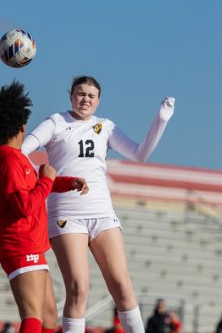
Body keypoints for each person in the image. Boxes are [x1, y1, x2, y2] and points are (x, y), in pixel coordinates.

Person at [21, 76, 175, 333]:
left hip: (102, 213)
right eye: (80, 94)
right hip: (67, 215)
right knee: (79, 288)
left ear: (99, 101)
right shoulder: (56, 122)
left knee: (122, 285)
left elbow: (140, 154)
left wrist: (160, 121)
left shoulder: (105, 126)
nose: (85, 100)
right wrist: (46, 173)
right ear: (71, 96)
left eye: (91, 96)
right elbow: (21, 154)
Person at [0, 81, 88, 333]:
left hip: (30, 242)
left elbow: (34, 181)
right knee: (33, 317)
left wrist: (65, 182)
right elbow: (24, 205)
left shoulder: (11, 156)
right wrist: (49, 179)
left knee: (49, 318)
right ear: (22, 125)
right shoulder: (9, 160)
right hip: (19, 242)